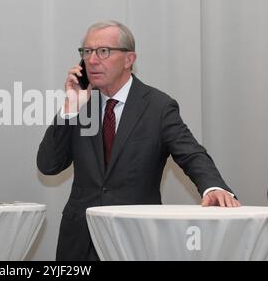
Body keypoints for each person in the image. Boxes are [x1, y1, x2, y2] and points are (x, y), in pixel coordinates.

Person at [36, 20, 240, 261]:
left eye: (103, 51)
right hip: (81, 240)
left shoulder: (158, 106)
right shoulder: (81, 104)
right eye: (87, 51)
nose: (92, 60)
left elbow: (191, 153)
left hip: (135, 239)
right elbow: (48, 165)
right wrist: (70, 108)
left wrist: (213, 187)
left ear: (129, 59)